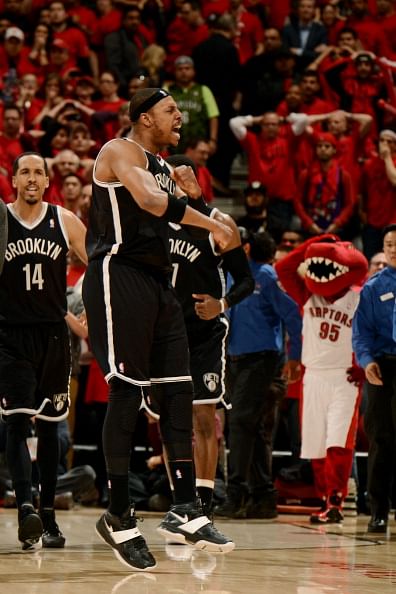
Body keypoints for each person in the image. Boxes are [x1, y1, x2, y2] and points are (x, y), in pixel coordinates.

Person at [82, 87, 235, 572]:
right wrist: (207, 221)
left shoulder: (166, 167)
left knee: (178, 391)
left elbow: (175, 210)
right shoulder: (119, 150)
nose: (179, 119)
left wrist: (200, 202)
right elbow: (149, 201)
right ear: (145, 117)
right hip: (117, 272)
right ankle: (120, 513)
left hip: (157, 280)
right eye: (171, 111)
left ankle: (187, 505)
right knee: (126, 392)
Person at [0, 151, 87, 550]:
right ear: (14, 180)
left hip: (54, 336)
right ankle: (25, 511)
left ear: (48, 180)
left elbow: (103, 265)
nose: (32, 178)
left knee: (51, 427)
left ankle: (48, 516)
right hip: (11, 336)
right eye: (25, 172)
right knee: (17, 425)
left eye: (38, 172)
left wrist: (88, 309)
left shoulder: (64, 220)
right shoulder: (2, 219)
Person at [165, 153, 254, 518]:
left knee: (204, 419)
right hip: (165, 335)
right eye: (172, 178)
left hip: (204, 335)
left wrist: (222, 303)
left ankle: (203, 501)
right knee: (171, 423)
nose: (179, 183)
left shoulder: (219, 223)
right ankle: (180, 499)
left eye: (186, 177)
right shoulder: (149, 222)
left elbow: (247, 280)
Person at [215, 231, 302, 518]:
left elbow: (292, 315)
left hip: (262, 361)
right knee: (252, 428)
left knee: (240, 423)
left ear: (247, 247)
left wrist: (295, 357)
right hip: (237, 360)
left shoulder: (265, 275)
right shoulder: (231, 274)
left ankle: (236, 494)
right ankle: (262, 496)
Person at [352, 223, 396, 534]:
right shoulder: (373, 287)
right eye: (388, 244)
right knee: (381, 439)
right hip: (384, 368)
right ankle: (378, 510)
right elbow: (361, 334)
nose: (392, 248)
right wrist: (366, 362)